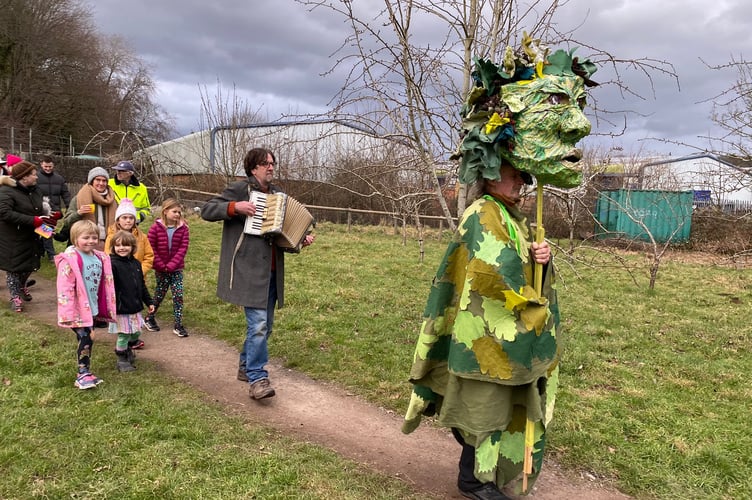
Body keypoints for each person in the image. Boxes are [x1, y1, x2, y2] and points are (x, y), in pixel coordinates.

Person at [401, 38, 596, 500]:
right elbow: (489, 275)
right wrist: (530, 300)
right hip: (483, 339)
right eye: (511, 174)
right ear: (488, 172)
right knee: (482, 411)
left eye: (522, 177)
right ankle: (472, 483)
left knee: (499, 408)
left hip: (505, 341)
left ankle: (490, 476)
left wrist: (539, 262)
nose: (520, 183)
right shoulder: (481, 213)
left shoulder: (514, 218)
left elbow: (522, 270)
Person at [200, 147, 315, 401]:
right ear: (253, 168)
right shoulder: (241, 190)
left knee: (266, 326)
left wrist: (298, 241)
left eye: (273, 163)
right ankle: (257, 377)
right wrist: (234, 207)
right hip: (249, 271)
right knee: (260, 325)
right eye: (265, 163)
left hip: (273, 272)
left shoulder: (277, 196)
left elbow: (282, 236)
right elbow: (207, 209)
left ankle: (245, 365)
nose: (271, 167)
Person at [55, 220, 117, 390]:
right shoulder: (70, 259)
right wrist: (67, 311)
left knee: (87, 338)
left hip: (91, 307)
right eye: (86, 237)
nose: (91, 241)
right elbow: (64, 287)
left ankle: (85, 370)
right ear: (75, 239)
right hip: (75, 309)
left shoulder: (99, 257)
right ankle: (82, 373)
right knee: (87, 337)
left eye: (94, 237)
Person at [0, 161, 61, 312]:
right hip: (12, 237)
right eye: (33, 174)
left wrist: (49, 220)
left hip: (32, 235)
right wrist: (33, 221)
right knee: (13, 267)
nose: (36, 177)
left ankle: (22, 286)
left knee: (30, 264)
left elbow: (39, 211)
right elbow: (5, 213)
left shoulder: (36, 191)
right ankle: (15, 297)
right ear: (23, 177)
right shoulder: (6, 191)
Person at [104, 198, 154, 349]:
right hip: (121, 283)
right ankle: (122, 350)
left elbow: (149, 256)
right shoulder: (112, 237)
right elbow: (108, 257)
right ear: (118, 220)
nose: (128, 220)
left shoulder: (142, 236)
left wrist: (138, 271)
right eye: (124, 217)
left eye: (131, 217)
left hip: (136, 276)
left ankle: (133, 340)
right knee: (124, 323)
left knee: (135, 318)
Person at [108, 230, 155, 372]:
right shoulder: (112, 264)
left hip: (135, 307)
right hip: (121, 308)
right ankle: (122, 359)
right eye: (118, 245)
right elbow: (109, 287)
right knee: (123, 335)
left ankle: (128, 348)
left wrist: (149, 302)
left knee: (136, 333)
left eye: (126, 245)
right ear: (113, 247)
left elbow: (141, 285)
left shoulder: (136, 264)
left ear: (133, 247)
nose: (122, 248)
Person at [144, 198, 190, 337]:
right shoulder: (155, 228)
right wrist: (162, 266)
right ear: (165, 211)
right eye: (174, 211)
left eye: (179, 212)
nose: (177, 214)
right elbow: (151, 248)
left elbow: (183, 249)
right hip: (161, 269)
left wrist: (171, 265)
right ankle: (149, 317)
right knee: (159, 294)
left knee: (178, 295)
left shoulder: (183, 229)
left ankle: (178, 324)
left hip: (176, 269)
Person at [62, 167, 117, 251]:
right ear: (91, 181)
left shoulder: (112, 199)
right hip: (85, 243)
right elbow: (67, 222)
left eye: (104, 180)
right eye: (98, 180)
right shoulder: (78, 198)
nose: (101, 183)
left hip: (108, 243)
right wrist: (79, 213)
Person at [36, 155, 72, 261]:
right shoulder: (36, 177)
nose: (48, 168)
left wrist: (69, 206)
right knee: (45, 231)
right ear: (41, 164)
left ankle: (41, 251)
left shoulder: (59, 179)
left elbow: (65, 194)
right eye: (46, 166)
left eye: (50, 166)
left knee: (45, 232)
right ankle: (51, 254)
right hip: (41, 210)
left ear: (53, 165)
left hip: (55, 211)